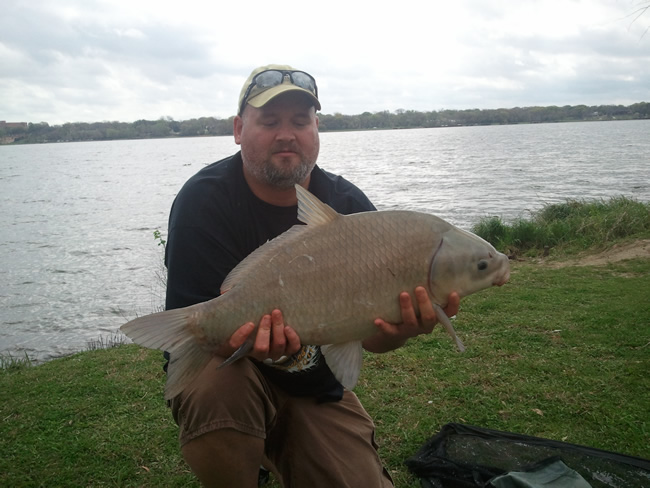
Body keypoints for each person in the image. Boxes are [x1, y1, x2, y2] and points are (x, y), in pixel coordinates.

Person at [164, 64, 460, 488]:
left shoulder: (347, 203)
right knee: (218, 391)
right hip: (228, 369)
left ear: (316, 129)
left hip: (310, 386)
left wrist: (403, 328)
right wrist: (250, 343)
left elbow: (373, 339)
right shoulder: (203, 201)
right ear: (237, 129)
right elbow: (201, 332)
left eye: (300, 121)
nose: (286, 134)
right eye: (269, 121)